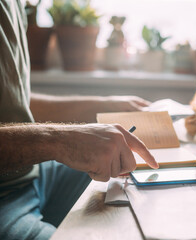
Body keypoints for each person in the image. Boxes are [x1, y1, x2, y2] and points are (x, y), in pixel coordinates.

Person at [0, 1, 158, 239]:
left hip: (34, 173)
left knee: (141, 190)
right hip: (5, 197)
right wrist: (60, 140)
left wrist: (103, 106)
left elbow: (12, 102)